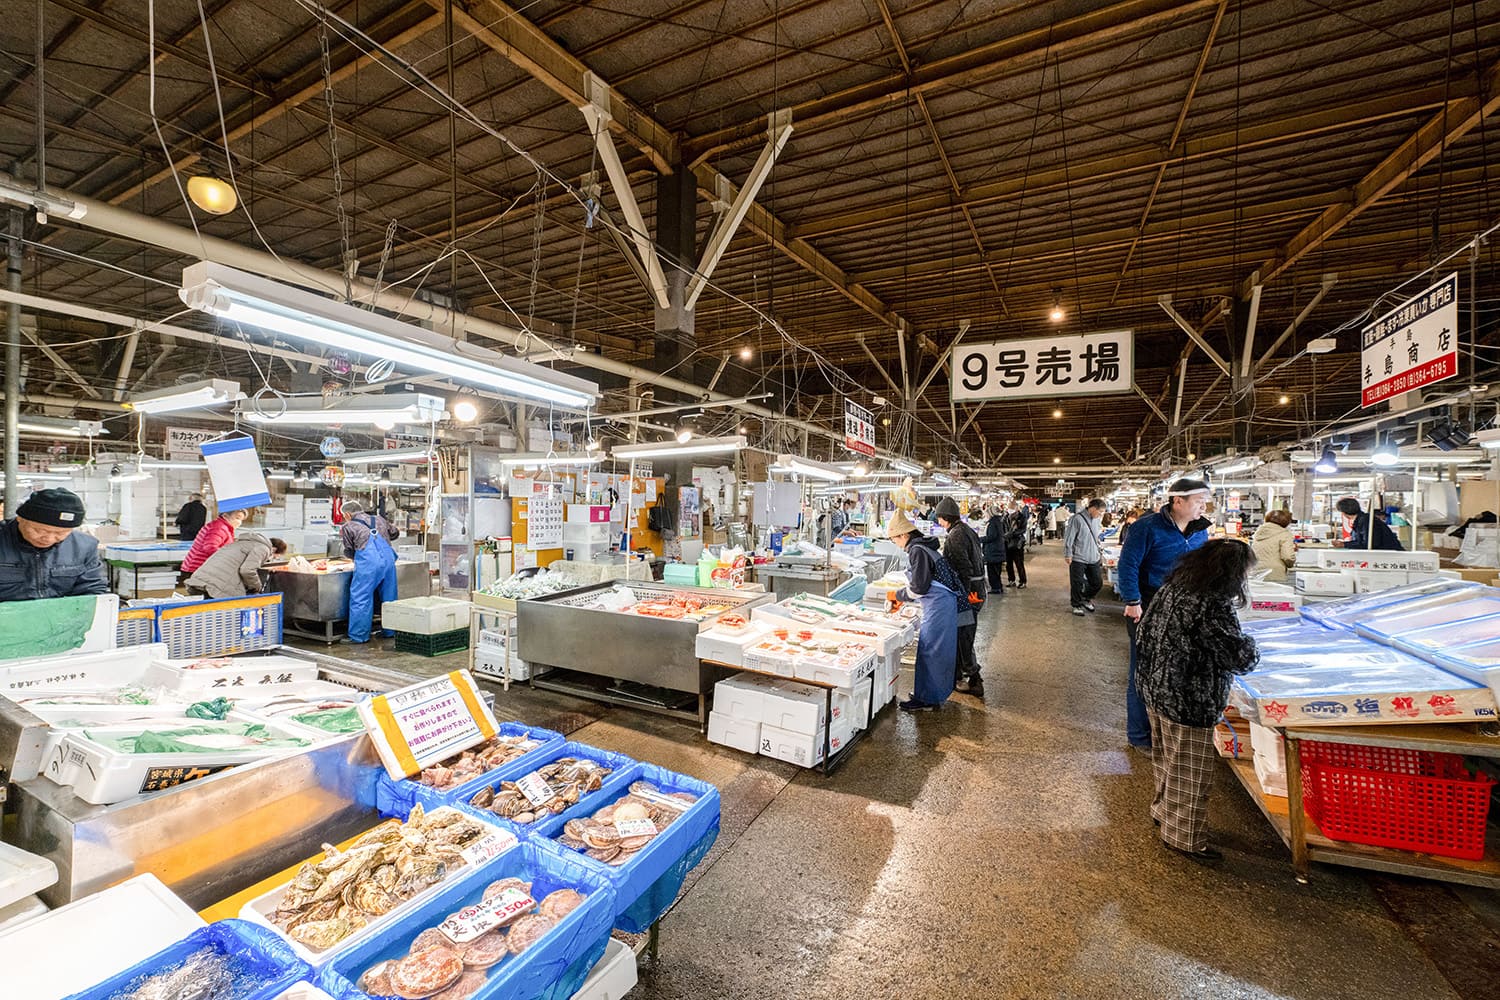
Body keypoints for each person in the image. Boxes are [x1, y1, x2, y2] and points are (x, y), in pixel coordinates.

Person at [1136, 539, 1260, 863]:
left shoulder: (1172, 587)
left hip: (1155, 687)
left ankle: (1163, 812)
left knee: (1166, 760)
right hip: (1189, 697)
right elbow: (1236, 655)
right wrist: (1254, 648)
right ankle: (1184, 838)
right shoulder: (1212, 603)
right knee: (1190, 772)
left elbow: (1143, 632)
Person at [1116, 479, 1212, 750]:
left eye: (1204, 501)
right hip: (1148, 606)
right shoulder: (1146, 527)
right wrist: (1132, 600)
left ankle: (1167, 732)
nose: (1203, 506)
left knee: (1173, 671)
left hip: (1184, 609)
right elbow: (1128, 565)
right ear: (1177, 501)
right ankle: (1139, 736)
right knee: (1142, 670)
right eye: (1197, 500)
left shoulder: (1200, 530)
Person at [886, 509, 967, 711]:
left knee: (932, 650)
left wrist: (897, 595)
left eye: (894, 539)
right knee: (930, 649)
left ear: (904, 535)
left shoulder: (917, 550)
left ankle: (928, 700)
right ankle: (927, 694)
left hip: (939, 604)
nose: (895, 543)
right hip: (939, 603)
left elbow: (919, 587)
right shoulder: (923, 547)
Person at [0, 488, 110, 601]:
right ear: (20, 519)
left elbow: (92, 589)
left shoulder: (84, 546)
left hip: (62, 615)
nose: (49, 538)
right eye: (39, 530)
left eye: (61, 533)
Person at [934, 497, 985, 695]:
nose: (938, 522)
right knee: (960, 634)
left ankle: (974, 680)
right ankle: (956, 677)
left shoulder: (955, 536)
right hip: (977, 589)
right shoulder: (967, 530)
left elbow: (964, 569)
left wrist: (960, 597)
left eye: (939, 518)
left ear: (945, 518)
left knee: (964, 636)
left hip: (969, 592)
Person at [342, 498, 400, 643]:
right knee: (389, 597)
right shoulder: (378, 519)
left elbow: (349, 551)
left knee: (361, 598)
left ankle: (358, 636)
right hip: (388, 560)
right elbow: (395, 533)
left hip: (368, 563)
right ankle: (390, 631)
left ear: (348, 514)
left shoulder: (349, 526)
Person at [186, 532, 287, 598]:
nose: (270, 559)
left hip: (199, 580)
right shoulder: (263, 548)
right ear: (273, 549)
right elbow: (247, 570)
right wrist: (257, 587)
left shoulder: (241, 543)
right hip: (216, 587)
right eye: (274, 556)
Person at [1065, 498, 1107, 616]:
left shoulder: (1097, 520)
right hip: (1078, 557)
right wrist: (1068, 554)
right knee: (1077, 583)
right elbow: (1069, 538)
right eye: (1100, 512)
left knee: (1097, 583)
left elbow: (1096, 536)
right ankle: (1076, 604)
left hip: (1093, 557)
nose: (1101, 514)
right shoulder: (1077, 519)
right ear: (1092, 508)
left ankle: (1086, 598)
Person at [179, 507, 249, 576]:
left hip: (199, 568)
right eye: (237, 518)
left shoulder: (222, 526)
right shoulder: (219, 528)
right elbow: (210, 547)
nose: (239, 523)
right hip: (199, 569)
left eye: (241, 520)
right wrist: (229, 557)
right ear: (225, 516)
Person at [1334, 497, 1404, 551]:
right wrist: (1345, 544)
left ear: (1344, 512)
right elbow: (1361, 541)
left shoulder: (1366, 520)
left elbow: (1370, 544)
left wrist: (1344, 545)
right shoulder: (1362, 519)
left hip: (1390, 556)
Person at [1250, 509, 1298, 582]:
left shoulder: (1259, 532)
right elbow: (1287, 556)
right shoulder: (1284, 534)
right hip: (1275, 573)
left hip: (1257, 571)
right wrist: (1290, 564)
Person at [981, 504, 1008, 595]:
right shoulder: (998, 521)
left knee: (992, 571)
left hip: (993, 551)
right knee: (996, 571)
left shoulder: (992, 523)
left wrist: (979, 539)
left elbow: (991, 536)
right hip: (997, 550)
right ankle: (998, 587)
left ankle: (995, 588)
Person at [1005, 501, 1029, 589]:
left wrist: (1012, 533)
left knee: (1019, 563)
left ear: (1016, 508)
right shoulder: (1006, 516)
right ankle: (1011, 580)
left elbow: (1023, 529)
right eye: (1009, 508)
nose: (1009, 510)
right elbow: (1003, 526)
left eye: (1011, 508)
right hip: (1007, 542)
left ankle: (1023, 581)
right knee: (1009, 563)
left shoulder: (1022, 517)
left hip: (1018, 543)